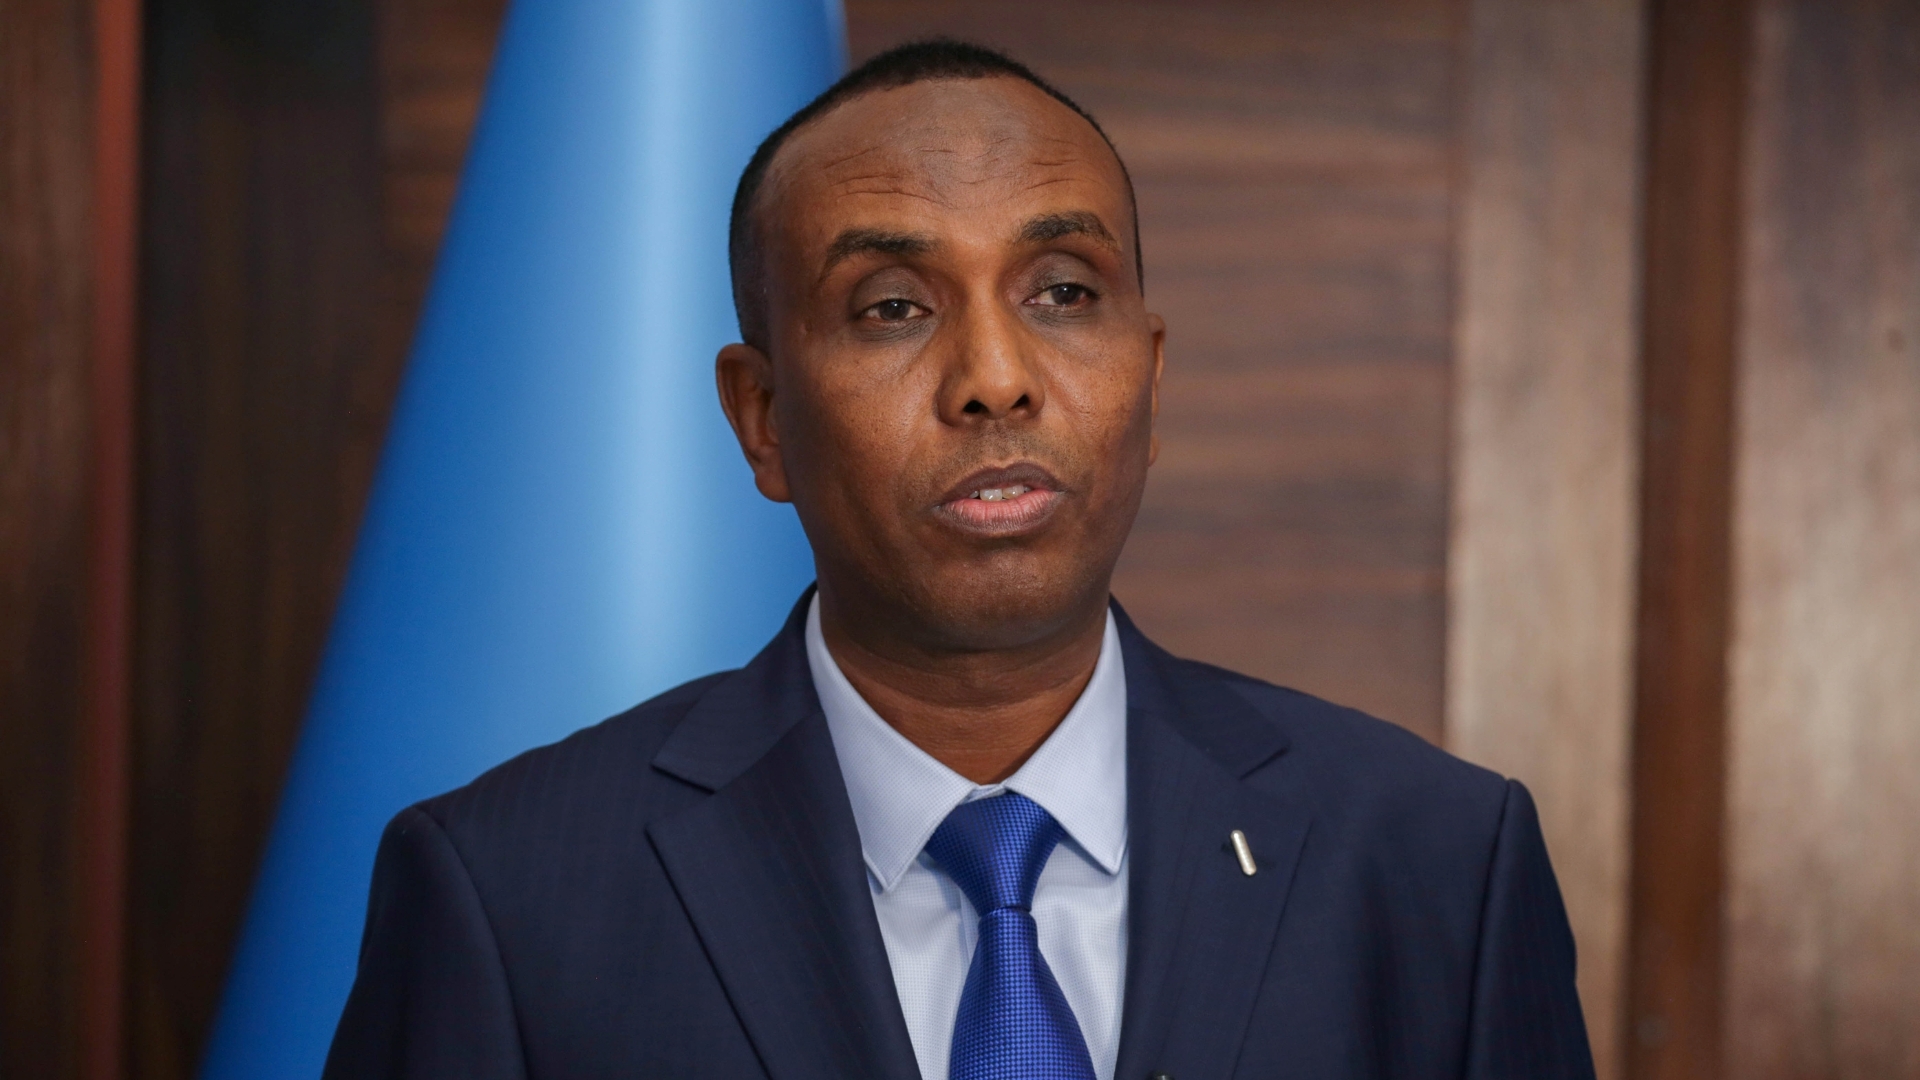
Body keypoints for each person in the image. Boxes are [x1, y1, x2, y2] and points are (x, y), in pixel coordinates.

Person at [324, 39, 1595, 1080]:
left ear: (1152, 381)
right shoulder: (506, 892)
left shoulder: (1433, 861)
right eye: (893, 307)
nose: (994, 378)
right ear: (762, 418)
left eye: (1062, 292)